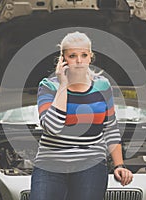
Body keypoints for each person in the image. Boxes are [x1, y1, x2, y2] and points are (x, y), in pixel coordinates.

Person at [30, 31, 133, 200]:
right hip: (50, 165)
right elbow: (53, 127)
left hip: (91, 164)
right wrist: (63, 84)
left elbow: (110, 129)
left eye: (83, 55)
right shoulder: (48, 86)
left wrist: (119, 165)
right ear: (62, 59)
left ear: (90, 57)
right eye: (72, 55)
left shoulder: (102, 86)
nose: (79, 61)